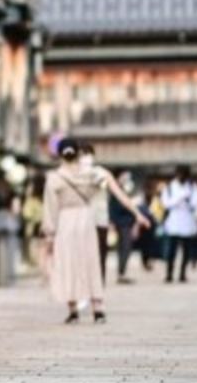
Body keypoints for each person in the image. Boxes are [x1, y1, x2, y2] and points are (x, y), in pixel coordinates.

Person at [42, 138, 149, 324]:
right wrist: (138, 214)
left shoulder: (54, 177)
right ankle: (98, 308)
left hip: (65, 222)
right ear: (79, 153)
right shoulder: (94, 174)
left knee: (68, 264)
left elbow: (50, 209)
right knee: (92, 263)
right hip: (87, 220)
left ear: (59, 155)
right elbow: (120, 194)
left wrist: (49, 235)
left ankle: (73, 309)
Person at [159, 165, 197, 284]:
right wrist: (179, 199)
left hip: (187, 222)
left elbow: (196, 203)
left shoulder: (193, 187)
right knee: (171, 251)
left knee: (186, 251)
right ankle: (169, 274)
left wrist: (187, 200)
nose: (181, 177)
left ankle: (183, 274)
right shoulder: (169, 187)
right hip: (173, 223)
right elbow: (165, 203)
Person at [80, 143, 111, 283]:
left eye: (88, 154)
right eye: (82, 155)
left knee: (100, 252)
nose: (86, 158)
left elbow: (104, 184)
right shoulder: (74, 175)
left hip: (100, 219)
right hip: (82, 219)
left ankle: (99, 283)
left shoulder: (100, 172)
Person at [0, 168, 21, 287]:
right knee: (11, 250)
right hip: (8, 219)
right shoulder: (11, 190)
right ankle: (11, 277)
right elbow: (16, 208)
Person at [108, 171, 142, 283]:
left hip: (128, 223)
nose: (127, 179)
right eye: (124, 176)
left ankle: (122, 273)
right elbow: (113, 209)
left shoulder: (129, 191)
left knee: (126, 249)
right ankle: (121, 273)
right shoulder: (116, 192)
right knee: (123, 248)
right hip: (121, 224)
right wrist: (112, 223)